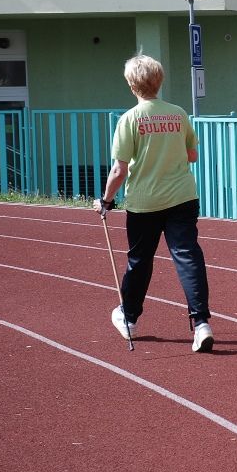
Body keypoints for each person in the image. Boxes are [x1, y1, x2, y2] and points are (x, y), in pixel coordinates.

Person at [93, 54, 214, 353]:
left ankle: (130, 318)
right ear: (159, 81)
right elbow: (192, 155)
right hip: (183, 197)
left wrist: (106, 201)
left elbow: (119, 169)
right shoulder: (178, 113)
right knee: (187, 256)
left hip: (145, 202)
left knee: (140, 260)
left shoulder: (130, 119)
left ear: (132, 85)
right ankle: (201, 324)